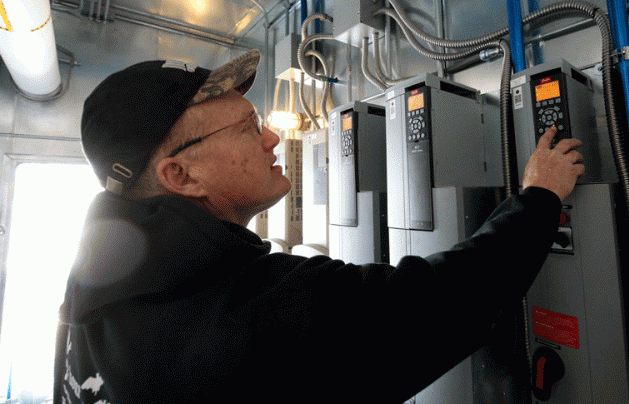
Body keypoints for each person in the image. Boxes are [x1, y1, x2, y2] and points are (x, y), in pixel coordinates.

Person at [53, 50, 584, 404]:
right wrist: (539, 197)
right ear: (181, 174)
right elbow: (438, 303)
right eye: (246, 129)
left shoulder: (93, 301)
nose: (271, 140)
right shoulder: (247, 315)